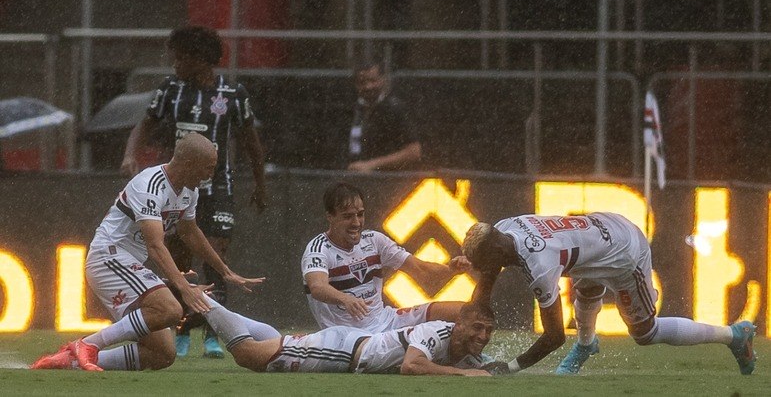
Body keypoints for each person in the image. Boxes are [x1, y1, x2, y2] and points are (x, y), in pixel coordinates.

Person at [30, 133, 264, 372]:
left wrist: (225, 272)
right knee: (170, 309)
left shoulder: (188, 191)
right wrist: (183, 289)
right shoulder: (150, 184)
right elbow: (155, 245)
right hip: (108, 257)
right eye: (208, 167)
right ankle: (87, 344)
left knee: (162, 354)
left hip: (128, 263)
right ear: (189, 163)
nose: (210, 175)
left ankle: (67, 361)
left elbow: (190, 233)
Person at [119, 25, 267, 358]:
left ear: (200, 59)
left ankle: (215, 332)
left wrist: (260, 184)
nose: (175, 65)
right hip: (177, 188)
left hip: (217, 186)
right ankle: (184, 325)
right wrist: (131, 154)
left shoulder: (232, 93)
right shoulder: (171, 89)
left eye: (181, 58)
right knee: (180, 257)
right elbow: (145, 124)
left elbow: (251, 142)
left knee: (216, 252)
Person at [461, 212, 757, 375]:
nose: (481, 269)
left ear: (498, 251)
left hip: (624, 252)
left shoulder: (540, 264)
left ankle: (734, 335)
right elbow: (485, 285)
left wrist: (509, 368)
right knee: (586, 293)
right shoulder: (503, 228)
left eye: (482, 262)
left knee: (645, 333)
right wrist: (466, 334)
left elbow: (554, 336)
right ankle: (587, 346)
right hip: (599, 233)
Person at [302, 182, 472, 333]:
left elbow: (421, 269)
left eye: (360, 214)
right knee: (419, 343)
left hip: (386, 321)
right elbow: (317, 287)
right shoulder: (318, 249)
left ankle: (476, 360)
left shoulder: (375, 240)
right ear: (330, 217)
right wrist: (345, 299)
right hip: (350, 337)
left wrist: (451, 269)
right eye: (347, 216)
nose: (356, 223)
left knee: (466, 312)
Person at [202, 299, 495, 376]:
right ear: (458, 325)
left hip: (348, 345)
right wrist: (463, 374)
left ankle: (206, 301)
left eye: (488, 330)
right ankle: (195, 298)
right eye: (477, 327)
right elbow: (412, 366)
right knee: (249, 356)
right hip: (341, 352)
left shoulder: (468, 352)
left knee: (274, 344)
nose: (483, 335)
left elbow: (489, 368)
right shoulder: (435, 331)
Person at [346, 60, 421, 172]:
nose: (368, 86)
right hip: (351, 179)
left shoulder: (395, 109)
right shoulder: (348, 110)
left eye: (373, 80)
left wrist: (371, 165)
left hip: (387, 180)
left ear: (383, 80)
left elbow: (414, 152)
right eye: (362, 82)